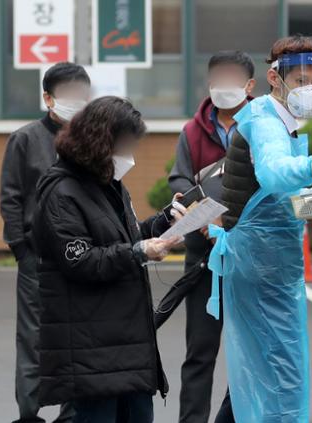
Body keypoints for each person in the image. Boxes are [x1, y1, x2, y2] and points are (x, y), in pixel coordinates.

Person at [205, 35, 312, 422]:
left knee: (258, 372)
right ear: (274, 77)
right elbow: (273, 174)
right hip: (263, 268)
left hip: (267, 265)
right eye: (301, 80)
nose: (310, 90)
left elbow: (289, 200)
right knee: (280, 373)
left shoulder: (283, 122)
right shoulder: (266, 123)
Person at [31, 96, 185, 423]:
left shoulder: (108, 184)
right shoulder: (61, 191)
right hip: (92, 344)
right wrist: (140, 251)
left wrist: (163, 222)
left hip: (125, 341)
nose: (129, 156)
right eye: (124, 145)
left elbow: (123, 237)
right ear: (100, 141)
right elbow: (81, 260)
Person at [0, 61, 90, 423]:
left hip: (82, 254)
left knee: (80, 337)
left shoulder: (91, 139)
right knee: (34, 338)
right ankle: (29, 413)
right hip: (36, 256)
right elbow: (10, 196)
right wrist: (20, 247)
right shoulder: (24, 139)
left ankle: (73, 412)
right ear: (47, 97)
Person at [168, 50, 256, 423]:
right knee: (200, 351)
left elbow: (273, 184)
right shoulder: (192, 131)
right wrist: (202, 213)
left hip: (251, 255)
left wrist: (230, 218)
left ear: (251, 85)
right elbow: (179, 179)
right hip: (204, 256)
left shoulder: (263, 125)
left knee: (249, 351)